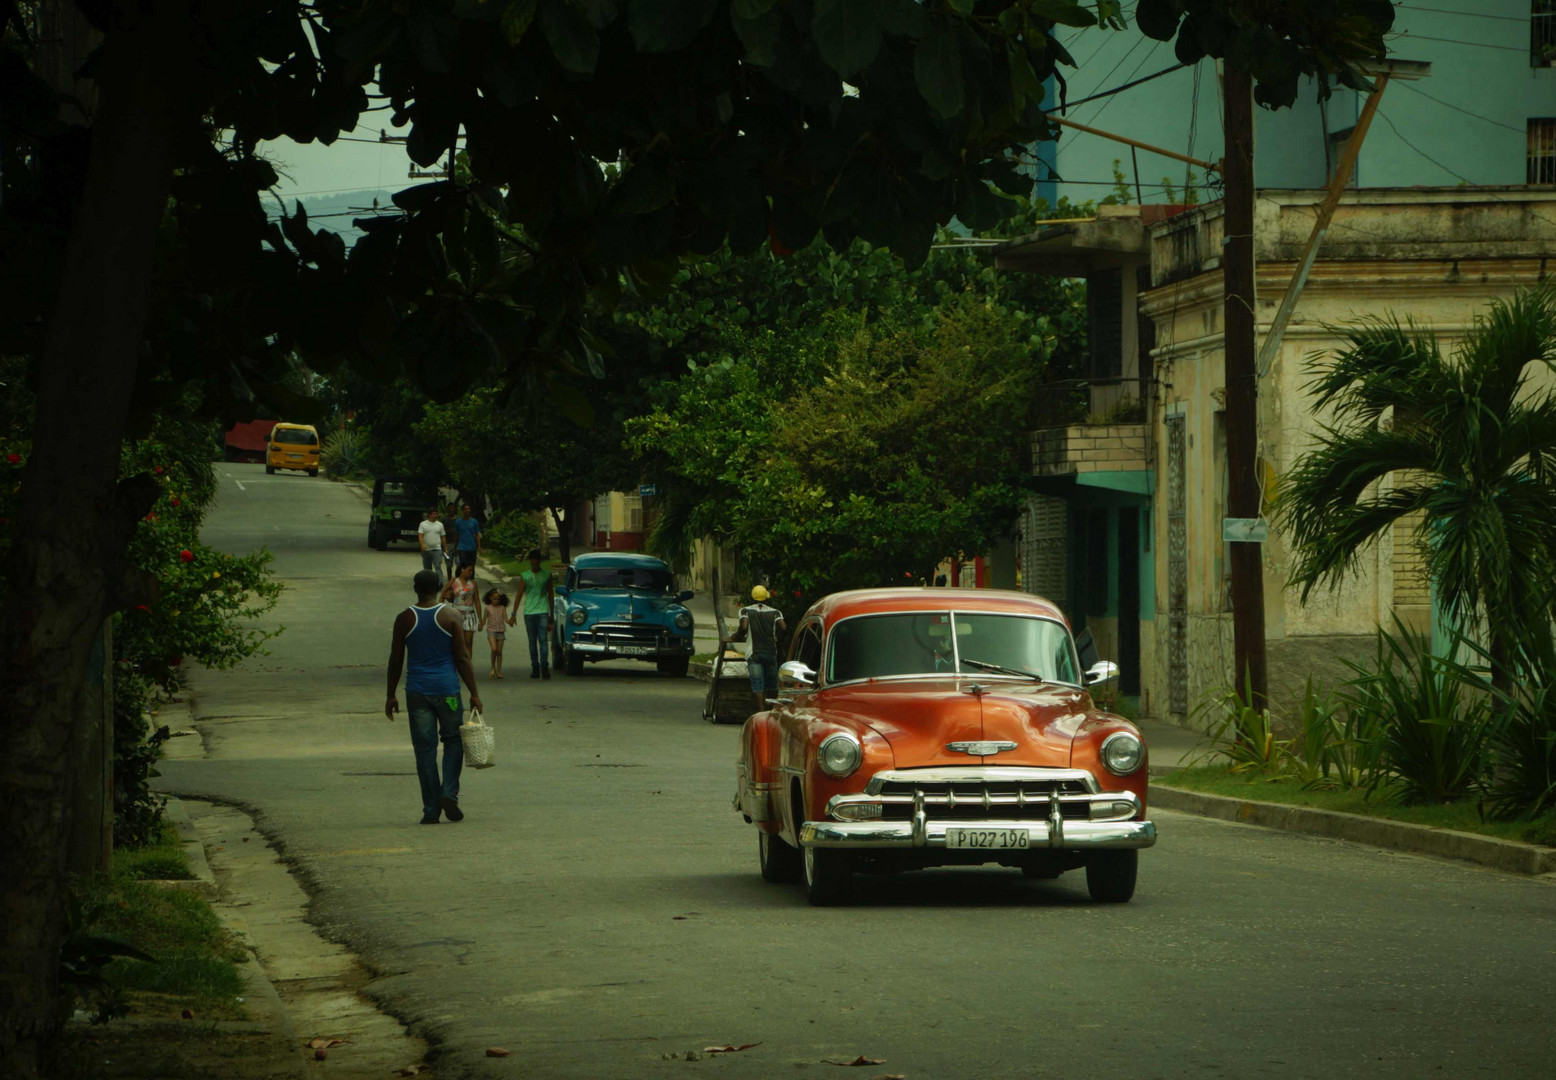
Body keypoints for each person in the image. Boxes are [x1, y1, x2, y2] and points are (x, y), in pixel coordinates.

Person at [385, 569, 482, 824]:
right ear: (440, 587)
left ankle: (430, 809)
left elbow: (396, 660)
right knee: (453, 741)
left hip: (417, 694)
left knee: (424, 750)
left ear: (415, 588)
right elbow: (462, 658)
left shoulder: (404, 619)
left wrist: (390, 694)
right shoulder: (451, 616)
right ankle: (448, 792)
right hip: (448, 693)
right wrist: (474, 693)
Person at [728, 584, 786, 716]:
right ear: (766, 598)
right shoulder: (775, 612)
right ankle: (772, 712)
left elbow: (743, 627)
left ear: (752, 597)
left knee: (757, 684)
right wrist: (778, 641)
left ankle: (761, 713)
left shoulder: (745, 611)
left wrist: (736, 636)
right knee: (772, 685)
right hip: (771, 652)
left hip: (754, 653)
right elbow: (783, 628)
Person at [514, 548, 554, 680]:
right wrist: (513, 613)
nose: (535, 562)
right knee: (532, 641)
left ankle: (544, 666)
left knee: (543, 640)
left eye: (537, 559)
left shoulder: (547, 575)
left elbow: (550, 594)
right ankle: (535, 667)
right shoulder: (524, 575)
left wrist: (552, 614)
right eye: (533, 559)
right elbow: (519, 594)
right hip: (529, 612)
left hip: (542, 611)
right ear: (530, 560)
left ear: (540, 561)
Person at [442, 562, 480, 654]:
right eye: (469, 570)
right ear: (462, 569)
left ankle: (468, 665)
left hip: (470, 615)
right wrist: (438, 611)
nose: (471, 573)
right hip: (456, 614)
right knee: (456, 642)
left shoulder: (473, 584)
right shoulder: (454, 581)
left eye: (472, 571)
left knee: (468, 642)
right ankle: (456, 665)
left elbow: (477, 601)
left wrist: (480, 620)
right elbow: (443, 595)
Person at [483, 588, 512, 679]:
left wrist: (510, 621)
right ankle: (492, 667)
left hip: (500, 631)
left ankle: (499, 671)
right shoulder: (488, 608)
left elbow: (506, 618)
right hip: (491, 630)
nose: (496, 601)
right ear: (490, 598)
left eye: (498, 599)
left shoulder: (502, 608)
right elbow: (484, 620)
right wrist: (480, 625)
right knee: (494, 649)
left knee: (499, 652)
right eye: (494, 599)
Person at [417, 507, 448, 586]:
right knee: (427, 568)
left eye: (436, 513)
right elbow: (420, 536)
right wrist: (422, 545)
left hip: (437, 549)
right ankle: (428, 583)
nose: (435, 515)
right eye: (434, 514)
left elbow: (443, 537)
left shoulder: (440, 525)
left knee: (437, 566)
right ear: (429, 515)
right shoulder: (423, 524)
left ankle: (440, 582)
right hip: (426, 550)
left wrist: (445, 548)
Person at [452, 504, 482, 571]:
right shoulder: (458, 522)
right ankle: (461, 578)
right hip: (461, 547)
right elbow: (456, 536)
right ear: (462, 510)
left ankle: (471, 580)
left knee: (471, 566)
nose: (467, 511)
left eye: (468, 509)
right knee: (463, 563)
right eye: (466, 509)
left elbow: (477, 534)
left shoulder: (474, 521)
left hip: (472, 547)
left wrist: (479, 546)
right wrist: (455, 548)